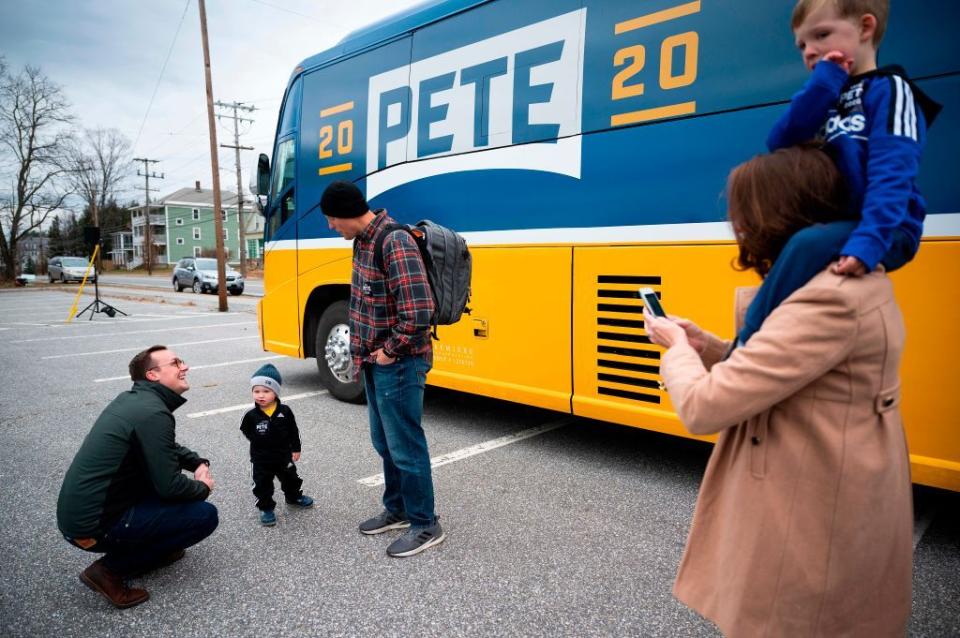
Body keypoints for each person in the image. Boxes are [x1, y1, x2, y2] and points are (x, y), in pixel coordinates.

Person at [643, 146, 913, 636]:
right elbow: (782, 371)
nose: (739, 228)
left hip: (808, 514)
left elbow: (706, 407)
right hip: (815, 491)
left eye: (744, 214)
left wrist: (676, 347)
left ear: (779, 214)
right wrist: (705, 345)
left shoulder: (829, 297)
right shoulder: (835, 278)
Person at [740, 0, 941, 346]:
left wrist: (869, 242)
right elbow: (780, 142)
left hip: (886, 230)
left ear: (865, 28)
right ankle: (760, 348)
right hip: (837, 227)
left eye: (821, 35)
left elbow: (893, 172)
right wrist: (823, 85)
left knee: (805, 245)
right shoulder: (826, 94)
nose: (809, 51)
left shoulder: (891, 90)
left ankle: (746, 344)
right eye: (802, 45)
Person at [319, 179, 445, 558]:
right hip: (374, 361)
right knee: (385, 442)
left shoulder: (395, 241)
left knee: (405, 444)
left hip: (400, 363)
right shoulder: (363, 242)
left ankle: (425, 524)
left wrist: (389, 351)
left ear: (344, 213)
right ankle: (399, 508)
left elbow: (419, 311)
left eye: (331, 220)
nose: (330, 227)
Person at [56, 345, 218, 609]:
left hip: (84, 516)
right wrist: (202, 487)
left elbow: (163, 449)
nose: (185, 367)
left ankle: (155, 549)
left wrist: (197, 461)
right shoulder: (153, 412)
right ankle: (108, 570)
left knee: (171, 501)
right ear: (153, 375)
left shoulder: (135, 401)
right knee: (203, 515)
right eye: (176, 363)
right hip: (92, 528)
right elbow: (170, 487)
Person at [240, 363, 314, 526]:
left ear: (275, 392)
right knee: (262, 484)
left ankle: (293, 496)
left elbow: (293, 431)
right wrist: (257, 438)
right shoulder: (251, 416)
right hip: (261, 459)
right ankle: (266, 508)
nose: (261, 395)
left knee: (291, 478)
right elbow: (245, 429)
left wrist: (296, 448)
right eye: (256, 391)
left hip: (283, 456)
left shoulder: (285, 412)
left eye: (266, 391)